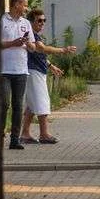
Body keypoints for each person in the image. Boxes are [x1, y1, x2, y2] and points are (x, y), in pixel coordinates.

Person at [19, 9, 77, 145]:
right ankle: (44, 134)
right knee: (42, 102)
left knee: (32, 105)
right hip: (33, 72)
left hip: (37, 70)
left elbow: (40, 55)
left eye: (44, 20)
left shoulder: (35, 35)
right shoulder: (31, 35)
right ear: (31, 22)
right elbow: (42, 49)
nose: (42, 23)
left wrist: (51, 66)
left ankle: (25, 134)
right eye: (39, 20)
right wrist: (63, 50)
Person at [1, 0, 37, 150]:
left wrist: (28, 44)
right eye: (24, 4)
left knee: (17, 106)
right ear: (16, 4)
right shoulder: (2, 20)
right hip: (3, 70)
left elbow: (34, 47)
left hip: (21, 70)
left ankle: (14, 139)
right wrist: (13, 43)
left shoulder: (26, 23)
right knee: (3, 104)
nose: (26, 7)